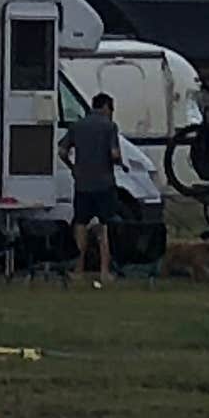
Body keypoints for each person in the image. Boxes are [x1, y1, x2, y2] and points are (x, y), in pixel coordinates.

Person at [62, 89, 126, 284]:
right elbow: (114, 154)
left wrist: (73, 168)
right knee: (106, 227)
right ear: (106, 107)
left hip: (82, 184)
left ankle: (78, 269)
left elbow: (62, 151)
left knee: (80, 225)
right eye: (111, 108)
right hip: (104, 184)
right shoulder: (109, 127)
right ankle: (104, 271)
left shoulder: (77, 126)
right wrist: (120, 163)